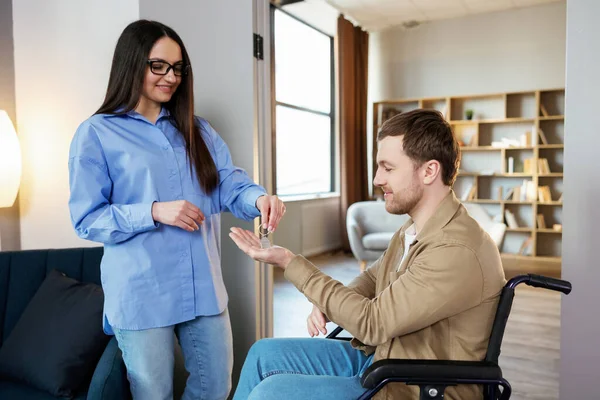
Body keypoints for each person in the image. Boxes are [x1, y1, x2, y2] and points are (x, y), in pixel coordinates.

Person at [68, 19, 285, 400]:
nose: (171, 76)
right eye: (159, 66)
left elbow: (227, 185)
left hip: (201, 286)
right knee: (154, 394)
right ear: (132, 63)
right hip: (141, 292)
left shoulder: (198, 130)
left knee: (216, 388)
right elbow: (87, 219)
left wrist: (258, 199)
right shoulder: (97, 133)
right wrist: (152, 211)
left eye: (178, 68)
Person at [228, 109, 506, 400]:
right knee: (263, 355)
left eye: (388, 168)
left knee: (271, 394)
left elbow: (373, 323)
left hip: (414, 386)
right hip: (386, 359)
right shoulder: (414, 229)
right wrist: (326, 302)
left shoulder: (455, 249)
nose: (376, 179)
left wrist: (289, 262)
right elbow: (373, 277)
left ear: (429, 171)